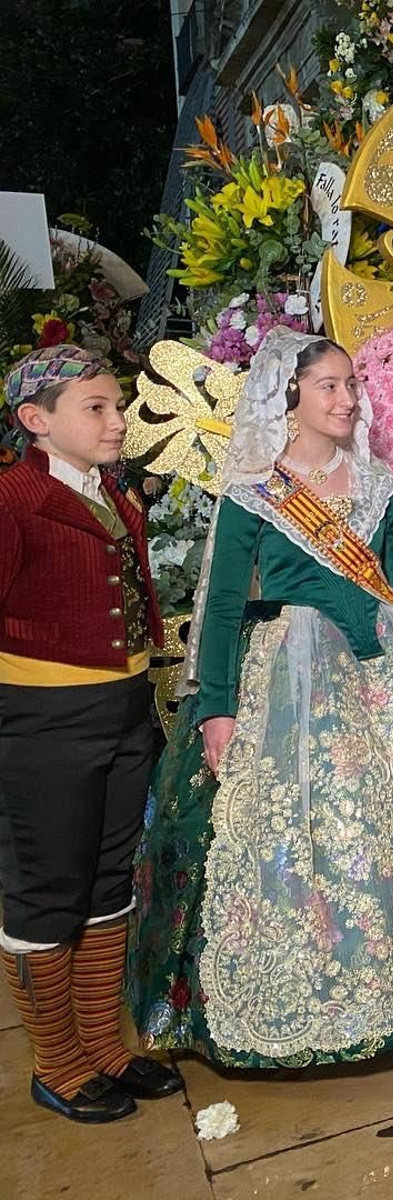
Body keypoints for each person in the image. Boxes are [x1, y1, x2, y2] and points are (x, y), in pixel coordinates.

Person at [126, 329, 393, 1067]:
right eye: (329, 385)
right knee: (309, 835)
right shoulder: (253, 495)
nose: (347, 399)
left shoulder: (377, 484)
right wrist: (220, 709)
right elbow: (223, 608)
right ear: (289, 398)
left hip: (391, 667)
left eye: (351, 385)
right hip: (292, 680)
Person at [0, 346, 183, 1123]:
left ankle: (104, 1045)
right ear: (36, 422)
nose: (117, 420)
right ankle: (58, 1062)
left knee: (110, 883)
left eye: (119, 404)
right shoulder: (12, 500)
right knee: (46, 891)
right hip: (43, 723)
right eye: (97, 408)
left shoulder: (111, 494)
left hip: (121, 709)